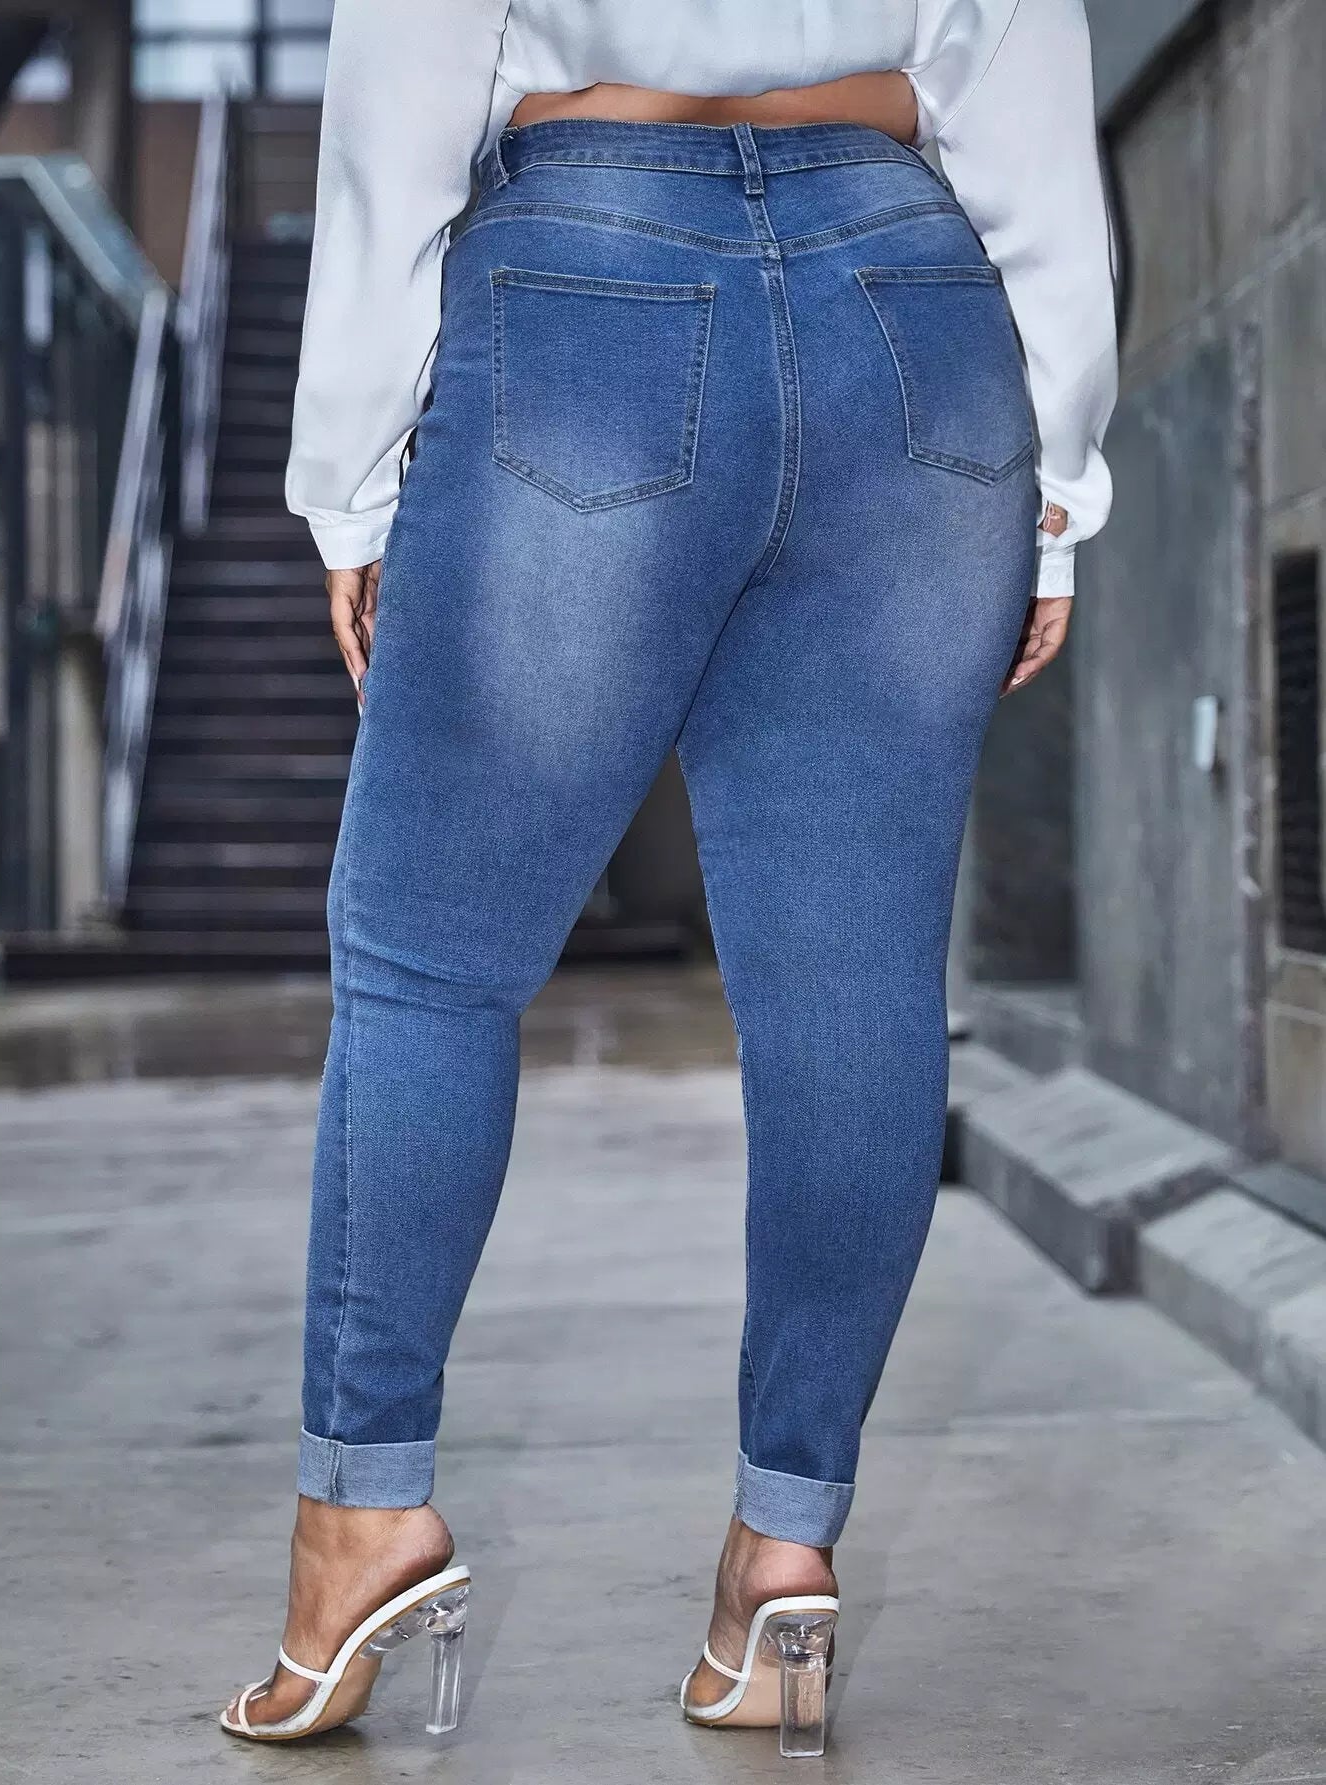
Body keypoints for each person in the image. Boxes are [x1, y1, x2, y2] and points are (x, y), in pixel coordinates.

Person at [220, 0, 1116, 1757]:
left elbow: (401, 91)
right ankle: (785, 1549)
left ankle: (360, 1520)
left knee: (430, 961)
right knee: (853, 981)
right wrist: (1064, 467)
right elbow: (1023, 58)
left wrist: (351, 481)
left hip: (589, 282)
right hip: (914, 299)